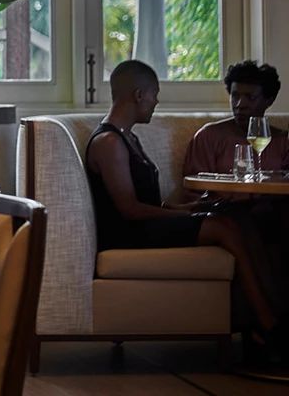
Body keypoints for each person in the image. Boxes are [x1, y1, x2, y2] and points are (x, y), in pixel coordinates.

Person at [85, 60, 283, 342]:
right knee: (224, 226)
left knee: (237, 218)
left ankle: (272, 312)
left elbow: (146, 203)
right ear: (139, 95)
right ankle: (268, 324)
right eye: (154, 94)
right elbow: (129, 210)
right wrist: (185, 218)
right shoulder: (109, 143)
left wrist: (187, 209)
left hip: (144, 226)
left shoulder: (129, 138)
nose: (156, 102)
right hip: (128, 234)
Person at [183, 60, 288, 197]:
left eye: (250, 97)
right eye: (235, 96)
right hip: (220, 213)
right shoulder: (208, 136)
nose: (240, 104)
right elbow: (195, 191)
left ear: (269, 100)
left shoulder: (283, 141)